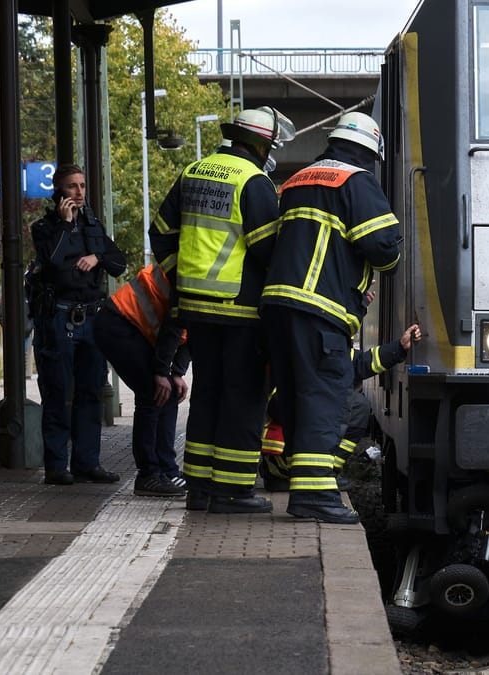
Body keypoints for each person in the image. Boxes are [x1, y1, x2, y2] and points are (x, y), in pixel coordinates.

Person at [150, 106, 296, 514]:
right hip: (240, 312)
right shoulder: (254, 181)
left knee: (207, 396)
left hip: (196, 310)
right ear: (261, 145)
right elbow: (267, 249)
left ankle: (199, 489)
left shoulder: (193, 171)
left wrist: (181, 278)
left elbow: (160, 233)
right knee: (244, 400)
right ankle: (232, 491)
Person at [260, 111, 402, 524]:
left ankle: (305, 490)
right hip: (319, 311)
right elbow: (383, 248)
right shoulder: (356, 181)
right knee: (324, 398)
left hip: (278, 307)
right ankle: (315, 497)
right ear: (369, 152)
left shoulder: (297, 179)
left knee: (295, 397)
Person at [30, 164, 128, 486]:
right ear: (59, 191)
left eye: (82, 186)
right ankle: (57, 466)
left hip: (91, 318)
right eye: (72, 186)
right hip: (58, 318)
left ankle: (87, 462)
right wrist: (65, 224)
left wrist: (97, 257)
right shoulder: (45, 228)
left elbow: (119, 263)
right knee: (58, 392)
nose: (79, 192)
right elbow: (52, 262)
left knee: (90, 392)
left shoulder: (93, 226)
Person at [260, 324, 422, 491]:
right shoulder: (296, 348)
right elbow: (279, 407)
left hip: (291, 464)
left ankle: (327, 472)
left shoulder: (327, 346)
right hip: (281, 464)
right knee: (332, 403)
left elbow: (361, 363)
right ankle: (314, 476)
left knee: (358, 406)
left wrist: (399, 347)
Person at [93, 262, 190, 497]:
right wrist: (162, 372)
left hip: (134, 328)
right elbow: (174, 325)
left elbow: (193, 331)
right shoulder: (190, 273)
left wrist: (176, 372)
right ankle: (148, 475)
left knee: (167, 393)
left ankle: (167, 470)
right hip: (118, 323)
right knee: (152, 394)